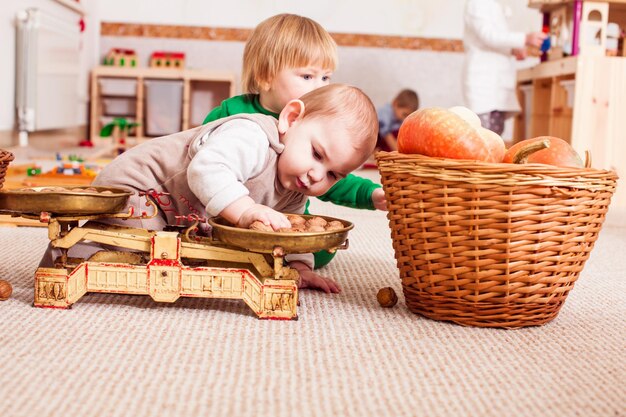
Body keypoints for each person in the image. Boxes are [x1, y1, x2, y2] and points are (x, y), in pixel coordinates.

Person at [39, 84, 379, 294]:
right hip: (138, 190)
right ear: (291, 120)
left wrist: (299, 267)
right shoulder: (253, 137)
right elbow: (207, 170)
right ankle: (64, 258)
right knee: (139, 249)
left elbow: (291, 229)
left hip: (174, 212)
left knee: (187, 250)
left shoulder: (296, 185)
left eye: (333, 174)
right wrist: (245, 211)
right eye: (317, 154)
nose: (315, 175)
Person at [203, 13, 387, 269]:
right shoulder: (230, 115)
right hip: (231, 209)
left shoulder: (312, 127)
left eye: (325, 78)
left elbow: (328, 174)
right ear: (266, 75)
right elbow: (205, 164)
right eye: (308, 77)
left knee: (321, 248)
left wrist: (369, 194)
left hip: (284, 211)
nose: (319, 87)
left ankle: (271, 256)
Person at [462, 0, 547, 135]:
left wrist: (512, 50)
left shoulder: (495, 6)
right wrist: (525, 38)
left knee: (496, 131)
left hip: (497, 82)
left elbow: (495, 41)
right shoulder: (476, 4)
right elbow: (488, 36)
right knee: (481, 133)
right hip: (482, 79)